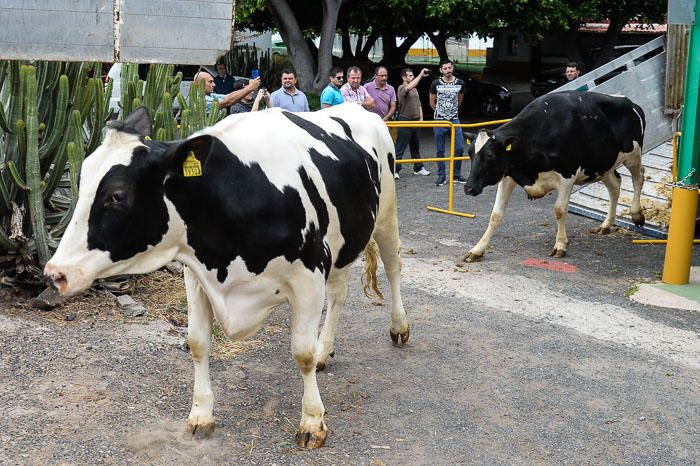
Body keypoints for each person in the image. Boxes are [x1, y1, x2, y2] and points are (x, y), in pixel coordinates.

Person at [429, 59, 466, 186]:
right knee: (440, 150)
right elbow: (432, 102)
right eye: (445, 68)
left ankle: (456, 175)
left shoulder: (460, 83)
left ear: (453, 68)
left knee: (460, 147)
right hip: (439, 120)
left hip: (454, 119)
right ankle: (441, 175)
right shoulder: (435, 83)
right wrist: (441, 113)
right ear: (441, 70)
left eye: (449, 68)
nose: (447, 71)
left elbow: (460, 101)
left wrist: (451, 112)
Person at [394, 67, 431, 178]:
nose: (412, 77)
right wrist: (420, 75)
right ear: (404, 77)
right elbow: (408, 87)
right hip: (405, 120)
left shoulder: (415, 90)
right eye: (410, 75)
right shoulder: (401, 88)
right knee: (400, 147)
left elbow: (419, 104)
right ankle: (395, 170)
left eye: (412, 75)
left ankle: (418, 168)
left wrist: (421, 119)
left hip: (415, 121)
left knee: (415, 147)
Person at [193, 71, 260, 113]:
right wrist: (249, 88)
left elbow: (228, 96)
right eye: (210, 82)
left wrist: (247, 88)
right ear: (200, 84)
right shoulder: (201, 99)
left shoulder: (210, 95)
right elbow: (228, 101)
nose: (214, 85)